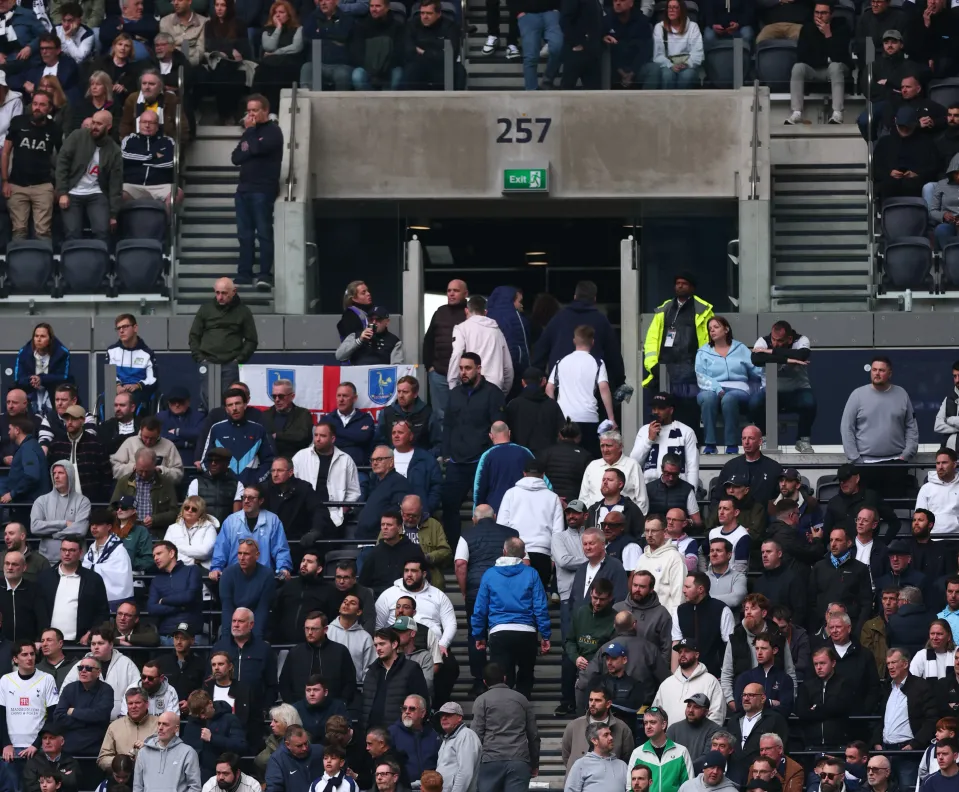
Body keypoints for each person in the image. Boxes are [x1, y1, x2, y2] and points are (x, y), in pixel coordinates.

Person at [470, 537, 550, 700]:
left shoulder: (490, 574)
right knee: (526, 675)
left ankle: (505, 711)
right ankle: (522, 707)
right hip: (526, 632)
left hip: (499, 632)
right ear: (523, 555)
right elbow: (540, 607)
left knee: (502, 677)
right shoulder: (532, 573)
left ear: (504, 551)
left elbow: (480, 608)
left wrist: (478, 635)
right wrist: (545, 634)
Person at [441, 353, 505, 548]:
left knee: (486, 509)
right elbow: (448, 425)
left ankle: (486, 548)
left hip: (481, 461)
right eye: (461, 368)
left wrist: (493, 455)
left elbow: (498, 426)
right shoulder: (454, 394)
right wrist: (446, 453)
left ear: (479, 368)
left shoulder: (493, 393)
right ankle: (454, 551)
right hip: (456, 463)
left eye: (467, 368)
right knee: (448, 505)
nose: (463, 372)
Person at [642, 273, 713, 429]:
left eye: (684, 283)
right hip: (664, 371)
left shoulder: (703, 309)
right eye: (678, 283)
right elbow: (652, 340)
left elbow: (710, 341)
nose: (680, 286)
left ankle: (691, 445)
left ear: (692, 288)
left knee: (689, 415)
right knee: (660, 414)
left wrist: (702, 367)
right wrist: (653, 365)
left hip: (691, 372)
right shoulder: (665, 308)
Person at [872, 648, 939, 790]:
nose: (890, 666)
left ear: (905, 664)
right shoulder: (887, 688)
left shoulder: (921, 687)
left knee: (906, 788)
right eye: (888, 663)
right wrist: (877, 741)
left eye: (894, 662)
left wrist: (915, 744)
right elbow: (881, 717)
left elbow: (931, 719)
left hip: (907, 752)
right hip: (885, 750)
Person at [695, 316, 761, 455]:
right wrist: (717, 388)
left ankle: (731, 445)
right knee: (707, 399)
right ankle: (710, 444)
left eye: (716, 327)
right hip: (710, 388)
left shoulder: (740, 348)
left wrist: (771, 374)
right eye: (710, 329)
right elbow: (700, 376)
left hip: (738, 388)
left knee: (729, 398)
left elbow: (755, 368)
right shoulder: (703, 352)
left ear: (726, 329)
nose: (712, 331)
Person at [546, 325, 617, 455]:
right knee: (589, 458)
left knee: (565, 457)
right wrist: (611, 418)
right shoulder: (597, 362)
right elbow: (604, 388)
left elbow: (549, 388)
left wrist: (555, 411)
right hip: (588, 417)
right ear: (593, 342)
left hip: (565, 418)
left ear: (574, 341)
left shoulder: (561, 362)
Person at [748, 321, 817, 453]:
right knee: (754, 403)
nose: (775, 343)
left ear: (789, 339)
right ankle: (765, 437)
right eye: (773, 340)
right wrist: (788, 359)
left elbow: (801, 355)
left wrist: (770, 352)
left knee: (810, 403)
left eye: (779, 341)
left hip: (797, 390)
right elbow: (756, 359)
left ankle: (802, 440)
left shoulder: (801, 340)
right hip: (770, 391)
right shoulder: (763, 341)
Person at [470, 662, 539, 791]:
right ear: (505, 678)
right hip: (518, 759)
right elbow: (533, 735)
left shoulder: (481, 700)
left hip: (490, 760)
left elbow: (476, 735)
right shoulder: (521, 699)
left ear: (485, 681)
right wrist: (534, 763)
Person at [2, 90, 60, 242]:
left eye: (42, 105)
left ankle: (44, 264)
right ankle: (18, 264)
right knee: (19, 231)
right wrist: (5, 181)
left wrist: (58, 187)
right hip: (17, 184)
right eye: (35, 104)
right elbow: (6, 152)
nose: (37, 108)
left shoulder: (55, 129)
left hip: (43, 185)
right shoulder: (18, 122)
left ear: (49, 108)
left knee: (43, 233)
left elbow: (62, 160)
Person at [55, 109, 122, 241]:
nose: (94, 127)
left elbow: (116, 183)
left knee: (102, 231)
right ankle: (73, 260)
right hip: (72, 191)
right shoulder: (77, 136)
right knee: (72, 232)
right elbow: (62, 163)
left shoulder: (114, 150)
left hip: (97, 193)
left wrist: (113, 214)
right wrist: (62, 192)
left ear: (108, 127)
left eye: (99, 124)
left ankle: (100, 260)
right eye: (93, 123)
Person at [784, 1, 851, 126]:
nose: (819, 16)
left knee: (835, 66)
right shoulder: (807, 28)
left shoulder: (841, 26)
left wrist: (828, 34)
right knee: (798, 68)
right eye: (817, 12)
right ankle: (796, 112)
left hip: (836, 70)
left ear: (831, 14)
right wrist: (825, 58)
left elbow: (839, 56)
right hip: (815, 69)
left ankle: (837, 112)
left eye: (823, 13)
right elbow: (802, 56)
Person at [189, 280, 259, 395]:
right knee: (208, 400)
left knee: (230, 400)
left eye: (224, 293)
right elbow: (194, 336)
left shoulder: (243, 311)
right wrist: (201, 359)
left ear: (234, 292)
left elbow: (251, 340)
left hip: (231, 364)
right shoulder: (205, 309)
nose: (220, 297)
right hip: (208, 361)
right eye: (217, 293)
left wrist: (238, 360)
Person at [279, 610, 356, 707]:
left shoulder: (340, 651)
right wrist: (293, 706)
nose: (310, 632)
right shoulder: (295, 652)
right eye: (307, 629)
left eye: (314, 629)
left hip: (332, 710)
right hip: (300, 709)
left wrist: (341, 704)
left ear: (325, 629)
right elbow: (284, 683)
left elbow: (350, 682)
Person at [359, 628, 429, 732]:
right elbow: (365, 704)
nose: (378, 648)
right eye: (376, 645)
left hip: (401, 733)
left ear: (394, 644)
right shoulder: (371, 671)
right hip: (372, 734)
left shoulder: (411, 669)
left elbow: (422, 701)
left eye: (382, 644)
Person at [809, 528, 873, 635]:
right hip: (823, 628)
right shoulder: (819, 567)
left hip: (850, 630)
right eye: (831, 540)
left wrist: (858, 630)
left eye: (838, 540)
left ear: (848, 543)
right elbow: (811, 601)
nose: (833, 544)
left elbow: (866, 603)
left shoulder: (860, 569)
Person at [874, 106, 941, 202]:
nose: (905, 129)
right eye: (902, 126)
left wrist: (917, 174)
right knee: (888, 185)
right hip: (889, 184)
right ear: (896, 122)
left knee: (913, 185)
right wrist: (889, 173)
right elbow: (876, 168)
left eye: (908, 126)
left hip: (917, 183)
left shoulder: (926, 143)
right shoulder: (884, 142)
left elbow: (934, 167)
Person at [632, 392, 699, 486]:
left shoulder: (686, 432)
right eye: (654, 408)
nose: (656, 412)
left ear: (671, 410)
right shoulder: (644, 431)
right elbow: (634, 462)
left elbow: (693, 467)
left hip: (677, 487)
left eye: (661, 408)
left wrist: (691, 491)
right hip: (650, 488)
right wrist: (649, 439)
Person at [53, 654, 113, 757]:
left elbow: (101, 715)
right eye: (80, 668)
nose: (83, 671)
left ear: (98, 672)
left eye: (88, 668)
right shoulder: (69, 688)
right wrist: (90, 722)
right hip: (69, 750)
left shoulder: (106, 690)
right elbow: (58, 717)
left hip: (96, 751)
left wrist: (73, 712)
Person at [563, 687, 635, 769]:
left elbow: (627, 758)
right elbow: (566, 755)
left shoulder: (622, 728)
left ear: (608, 704)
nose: (592, 704)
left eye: (597, 700)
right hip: (579, 779)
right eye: (590, 700)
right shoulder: (574, 725)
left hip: (609, 777)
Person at [108, 449, 179, 533]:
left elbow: (174, 513)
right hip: (129, 532)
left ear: (154, 466)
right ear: (136, 465)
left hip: (156, 533)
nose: (144, 474)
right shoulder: (124, 482)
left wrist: (155, 519)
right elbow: (111, 510)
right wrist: (126, 516)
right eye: (141, 471)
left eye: (148, 471)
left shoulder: (166, 483)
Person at [626, 707, 694, 790]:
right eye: (646, 723)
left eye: (653, 722)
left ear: (663, 725)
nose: (648, 726)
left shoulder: (681, 752)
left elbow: (690, 787)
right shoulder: (638, 753)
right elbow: (630, 788)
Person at [132, 713, 201, 792]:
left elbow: (195, 787)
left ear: (176, 729)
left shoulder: (188, 753)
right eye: (159, 724)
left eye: (165, 724)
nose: (160, 728)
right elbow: (137, 787)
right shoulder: (143, 752)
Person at [580, 430, 647, 511]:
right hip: (595, 520)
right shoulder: (592, 466)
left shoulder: (632, 465)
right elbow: (583, 498)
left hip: (624, 521)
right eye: (602, 446)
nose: (605, 450)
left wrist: (637, 521)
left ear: (620, 447)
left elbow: (642, 500)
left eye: (608, 446)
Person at [403, 0, 463, 89]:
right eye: (422, 13)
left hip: (443, 67)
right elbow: (408, 50)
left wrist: (423, 52)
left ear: (438, 14)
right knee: (410, 70)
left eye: (429, 13)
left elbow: (450, 55)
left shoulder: (450, 27)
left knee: (460, 71)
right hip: (419, 65)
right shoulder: (412, 25)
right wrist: (435, 51)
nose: (425, 16)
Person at [634, 515, 686, 618]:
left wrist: (674, 623)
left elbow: (679, 596)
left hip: (664, 620)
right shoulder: (642, 558)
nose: (649, 535)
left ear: (664, 532)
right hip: (641, 618)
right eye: (647, 530)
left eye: (654, 531)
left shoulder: (675, 557)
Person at [727, 683, 789, 767]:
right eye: (744, 695)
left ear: (763, 698)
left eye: (751, 695)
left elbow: (781, 750)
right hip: (734, 772)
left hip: (761, 772)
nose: (746, 698)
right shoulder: (733, 721)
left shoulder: (775, 719)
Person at [97, 688, 158, 771]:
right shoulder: (115, 726)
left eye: (137, 703)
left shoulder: (160, 724)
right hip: (123, 778)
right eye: (130, 703)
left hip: (152, 774)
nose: (133, 706)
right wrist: (122, 762)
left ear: (147, 704)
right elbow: (102, 759)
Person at [111, 418, 185, 484]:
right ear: (141, 430)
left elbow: (178, 474)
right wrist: (133, 469)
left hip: (159, 490)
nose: (148, 441)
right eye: (145, 437)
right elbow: (115, 469)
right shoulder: (130, 443)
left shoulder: (169, 446)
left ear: (159, 433)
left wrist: (161, 471)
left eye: (152, 438)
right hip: (131, 488)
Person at [649, 0, 702, 89]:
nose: (671, 10)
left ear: (682, 10)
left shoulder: (693, 27)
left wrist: (687, 64)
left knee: (687, 76)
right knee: (667, 76)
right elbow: (657, 55)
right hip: (666, 64)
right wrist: (670, 65)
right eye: (669, 7)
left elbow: (697, 53)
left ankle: (683, 103)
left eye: (675, 7)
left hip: (687, 65)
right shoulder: (659, 27)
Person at [565, 722, 629, 790]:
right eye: (606, 735)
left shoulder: (622, 765)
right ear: (594, 740)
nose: (611, 737)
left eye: (610, 734)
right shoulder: (581, 764)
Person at [435, 702, 480, 792]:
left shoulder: (466, 735)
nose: (443, 718)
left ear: (459, 717)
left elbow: (465, 772)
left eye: (448, 714)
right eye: (441, 715)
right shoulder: (447, 739)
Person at [255, 705, 301, 775]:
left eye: (276, 721)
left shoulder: (302, 738)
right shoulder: (273, 739)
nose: (271, 724)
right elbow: (260, 761)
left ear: (287, 722)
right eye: (272, 721)